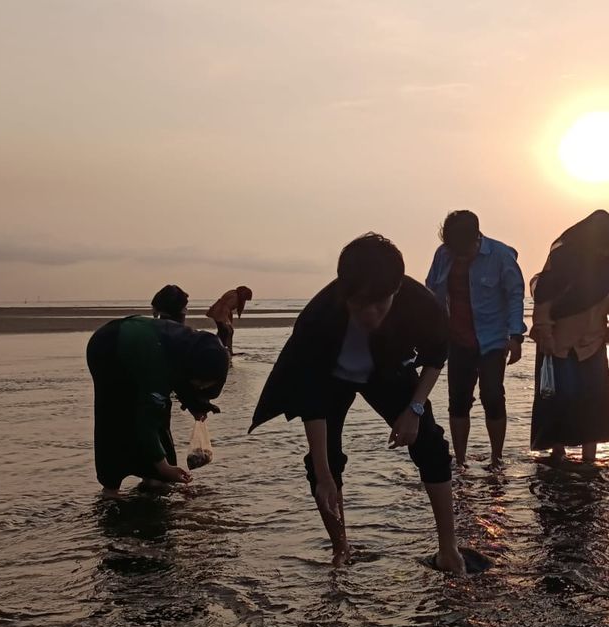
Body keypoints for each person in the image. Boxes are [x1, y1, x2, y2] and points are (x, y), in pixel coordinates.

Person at [250, 233, 465, 574]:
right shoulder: (317, 318)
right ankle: (341, 550)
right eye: (360, 304)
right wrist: (322, 472)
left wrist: (414, 410)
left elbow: (437, 356)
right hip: (329, 378)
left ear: (396, 290)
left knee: (430, 444)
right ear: (344, 292)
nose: (370, 314)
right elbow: (312, 400)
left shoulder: (421, 304)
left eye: (381, 303)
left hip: (387, 370)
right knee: (324, 465)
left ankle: (448, 549)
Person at [425, 210, 527, 467]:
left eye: (462, 252)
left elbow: (515, 296)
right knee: (458, 401)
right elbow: (431, 293)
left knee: (492, 396)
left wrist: (516, 336)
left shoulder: (502, 256)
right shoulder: (443, 255)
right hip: (457, 340)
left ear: (476, 239)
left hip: (492, 340)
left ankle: (497, 458)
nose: (458, 256)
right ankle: (460, 461)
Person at [86, 316, 229, 498]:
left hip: (137, 340)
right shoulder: (157, 363)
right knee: (117, 416)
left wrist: (195, 405)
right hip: (110, 348)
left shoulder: (190, 347)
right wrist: (164, 468)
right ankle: (111, 490)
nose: (200, 388)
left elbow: (181, 375)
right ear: (197, 369)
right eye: (201, 384)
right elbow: (147, 420)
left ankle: (152, 478)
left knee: (155, 412)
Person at [529, 210, 609, 463]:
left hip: (593, 341)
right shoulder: (562, 258)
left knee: (593, 400)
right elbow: (544, 297)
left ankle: (589, 456)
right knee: (561, 398)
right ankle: (557, 450)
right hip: (557, 342)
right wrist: (544, 332)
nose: (607, 253)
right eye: (603, 247)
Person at [206, 285, 253, 355]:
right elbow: (225, 309)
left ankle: (220, 348)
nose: (245, 301)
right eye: (245, 299)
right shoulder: (235, 297)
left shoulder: (237, 294)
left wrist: (228, 321)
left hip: (221, 312)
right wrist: (226, 322)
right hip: (219, 312)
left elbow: (228, 310)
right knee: (225, 331)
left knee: (224, 331)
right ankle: (219, 349)